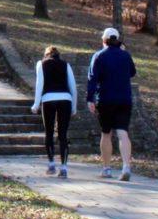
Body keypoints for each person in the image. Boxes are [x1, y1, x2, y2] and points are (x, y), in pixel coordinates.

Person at [86, 26, 137, 181]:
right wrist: (123, 51)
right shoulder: (125, 55)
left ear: (104, 40)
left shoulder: (99, 56)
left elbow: (92, 79)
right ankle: (126, 166)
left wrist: (90, 98)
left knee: (106, 133)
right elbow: (132, 72)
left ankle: (107, 168)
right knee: (122, 132)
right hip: (124, 99)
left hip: (106, 99)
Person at [31, 45, 77, 178]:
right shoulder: (65, 65)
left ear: (46, 55)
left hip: (48, 99)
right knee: (63, 134)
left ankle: (51, 163)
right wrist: (74, 106)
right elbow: (73, 87)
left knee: (49, 132)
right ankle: (63, 167)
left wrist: (36, 104)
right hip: (65, 99)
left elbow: (39, 84)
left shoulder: (41, 64)